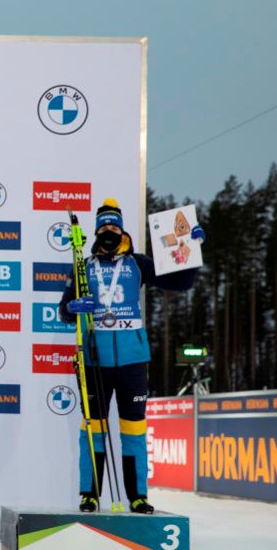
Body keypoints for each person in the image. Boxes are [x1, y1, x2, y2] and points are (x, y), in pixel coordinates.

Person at [59, 198, 206, 514]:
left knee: (134, 431)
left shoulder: (138, 264)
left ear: (121, 229)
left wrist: (192, 251)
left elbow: (182, 283)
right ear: (97, 232)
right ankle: (89, 495)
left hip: (133, 362)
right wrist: (73, 308)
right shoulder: (83, 266)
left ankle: (138, 496)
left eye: (114, 226)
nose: (109, 231)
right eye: (104, 227)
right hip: (94, 361)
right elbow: (63, 311)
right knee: (93, 430)